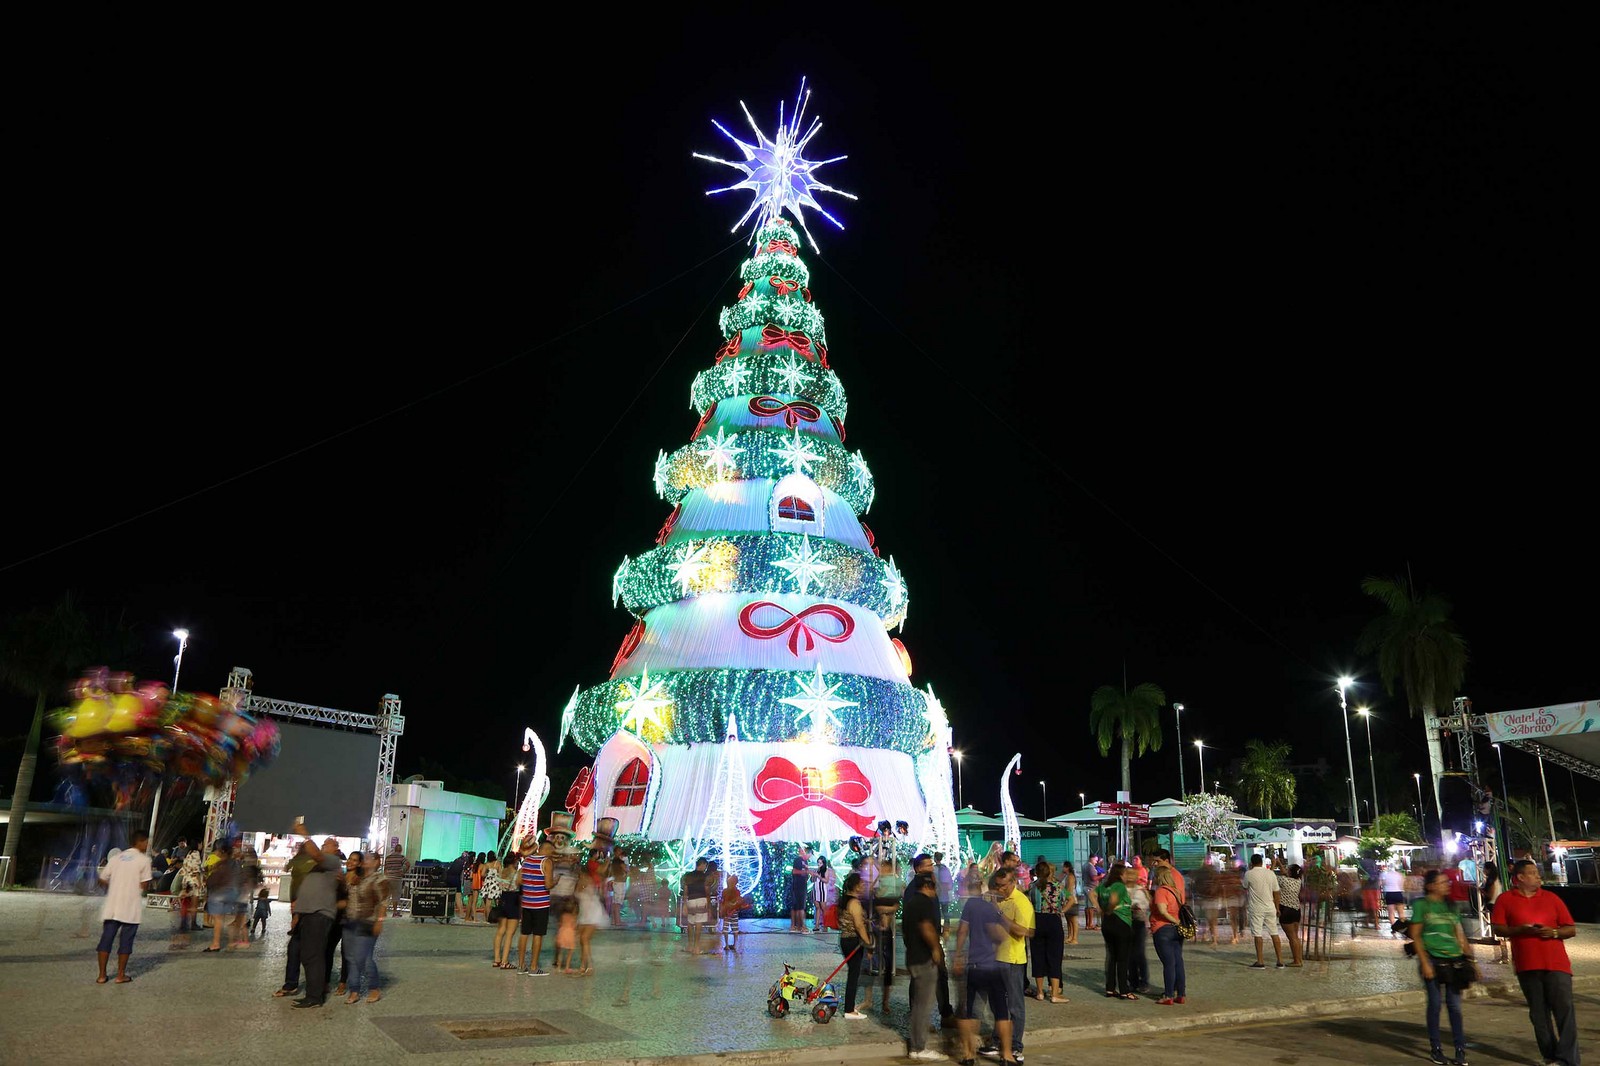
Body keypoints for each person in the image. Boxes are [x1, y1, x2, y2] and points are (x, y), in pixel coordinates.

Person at [1492, 858, 1580, 1066]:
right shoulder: (1506, 899)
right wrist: (1520, 930)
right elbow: (1498, 928)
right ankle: (1550, 1056)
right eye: (1532, 873)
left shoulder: (1551, 898)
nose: (1538, 876)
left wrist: (1554, 932)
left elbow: (1571, 929)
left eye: (1537, 872)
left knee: (1564, 1011)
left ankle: (1568, 1059)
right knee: (1539, 1014)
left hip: (1556, 964)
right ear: (1520, 878)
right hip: (1527, 964)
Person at [1411, 869, 1473, 1065]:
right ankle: (1436, 1047)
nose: (1447, 885)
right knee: (1435, 1004)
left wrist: (1471, 960)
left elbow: (1460, 934)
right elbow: (1416, 936)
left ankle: (1460, 1048)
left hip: (1454, 961)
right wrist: (1424, 962)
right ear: (1430, 886)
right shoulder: (1421, 905)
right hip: (1433, 959)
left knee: (1455, 1006)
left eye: (1447, 882)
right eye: (1442, 882)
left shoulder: (1451, 906)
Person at [954, 870, 1017, 1063]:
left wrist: (957, 955)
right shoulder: (992, 908)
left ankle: (969, 1054)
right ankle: (1006, 1054)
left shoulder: (970, 906)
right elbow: (1001, 935)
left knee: (971, 1012)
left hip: (975, 966)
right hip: (994, 966)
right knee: (1001, 1012)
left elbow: (963, 931)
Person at [286, 827, 343, 1008]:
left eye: (327, 844)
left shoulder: (333, 861)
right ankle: (312, 992)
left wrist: (305, 835)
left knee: (313, 955)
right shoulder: (318, 866)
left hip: (319, 914)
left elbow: (316, 854)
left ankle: (314, 996)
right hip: (308, 914)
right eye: (324, 844)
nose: (324, 846)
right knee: (305, 953)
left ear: (335, 849)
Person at [984, 867, 1033, 1063]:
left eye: (1003, 886)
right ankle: (998, 1040)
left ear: (1012, 883)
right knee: (997, 1003)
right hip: (996, 957)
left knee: (1014, 1005)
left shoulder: (1021, 903)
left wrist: (999, 915)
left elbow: (1022, 931)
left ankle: (1015, 1046)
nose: (999, 889)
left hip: (1012, 959)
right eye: (997, 885)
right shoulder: (999, 899)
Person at [95, 829, 152, 984]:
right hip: (131, 907)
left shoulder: (116, 858)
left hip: (112, 906)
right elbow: (145, 884)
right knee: (126, 942)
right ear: (140, 842)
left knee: (106, 940)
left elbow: (102, 878)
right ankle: (120, 975)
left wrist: (113, 887)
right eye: (146, 841)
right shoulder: (144, 860)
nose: (147, 844)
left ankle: (101, 975)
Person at [904, 854, 955, 1029]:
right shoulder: (915, 890)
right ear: (918, 869)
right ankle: (920, 1017)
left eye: (931, 865)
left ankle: (945, 1013)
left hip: (931, 939)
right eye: (926, 866)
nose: (931, 868)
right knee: (921, 979)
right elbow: (919, 920)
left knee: (940, 976)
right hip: (923, 942)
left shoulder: (929, 887)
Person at [901, 873, 945, 1061]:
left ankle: (916, 1045)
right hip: (923, 958)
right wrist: (936, 949)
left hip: (912, 957)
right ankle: (919, 1047)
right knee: (923, 1005)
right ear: (928, 886)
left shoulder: (910, 903)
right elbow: (927, 928)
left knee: (919, 1004)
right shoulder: (925, 903)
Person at [343, 850, 388, 1004]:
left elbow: (383, 901)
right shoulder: (358, 877)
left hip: (368, 921)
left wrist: (379, 921)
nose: (366, 860)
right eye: (365, 858)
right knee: (350, 957)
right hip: (351, 920)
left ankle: (374, 988)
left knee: (363, 957)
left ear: (377, 862)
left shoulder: (379, 879)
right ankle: (354, 990)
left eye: (370, 858)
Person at [869, 855, 906, 1009]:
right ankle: (873, 999)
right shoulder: (883, 883)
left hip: (885, 929)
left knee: (888, 963)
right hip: (879, 928)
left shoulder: (892, 883)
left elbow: (896, 903)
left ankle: (885, 1000)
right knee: (875, 963)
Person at [1029, 859, 1068, 1003]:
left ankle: (1039, 992)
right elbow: (1070, 900)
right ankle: (1055, 994)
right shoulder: (1058, 886)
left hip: (1037, 920)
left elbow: (1029, 902)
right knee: (1055, 957)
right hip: (1053, 920)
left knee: (1037, 955)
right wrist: (1061, 910)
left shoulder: (1032, 886)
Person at [837, 872, 874, 1020]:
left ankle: (849, 1007)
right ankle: (849, 1010)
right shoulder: (854, 903)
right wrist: (869, 943)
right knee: (854, 975)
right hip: (853, 941)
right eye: (862, 884)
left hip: (844, 939)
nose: (864, 886)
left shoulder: (844, 900)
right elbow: (859, 926)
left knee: (853, 973)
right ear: (856, 886)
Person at [1097, 861, 1136, 999]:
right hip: (1121, 922)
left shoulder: (1103, 886)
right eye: (1125, 873)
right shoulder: (1119, 886)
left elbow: (1091, 894)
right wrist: (1110, 908)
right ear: (1120, 874)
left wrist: (1100, 908)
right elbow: (1114, 899)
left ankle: (1110, 988)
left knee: (1111, 956)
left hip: (1107, 923)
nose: (1127, 876)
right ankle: (1124, 990)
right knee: (1122, 958)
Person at [1150, 865, 1186, 1005]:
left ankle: (1168, 995)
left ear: (1159, 877)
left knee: (1168, 963)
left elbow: (1162, 911)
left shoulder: (1161, 891)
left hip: (1163, 929)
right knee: (1178, 961)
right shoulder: (1176, 891)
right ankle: (1181, 993)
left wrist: (1175, 921)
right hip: (1176, 931)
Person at [517, 837, 553, 976]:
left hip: (527, 903)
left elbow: (519, 881)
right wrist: (555, 881)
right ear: (548, 850)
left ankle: (521, 965)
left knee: (524, 934)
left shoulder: (527, 860)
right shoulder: (546, 862)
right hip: (541, 904)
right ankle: (533, 967)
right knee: (538, 935)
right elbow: (548, 884)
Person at [1244, 853, 1285, 968]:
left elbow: (1245, 886)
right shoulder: (1270, 873)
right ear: (1262, 862)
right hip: (1270, 907)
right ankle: (1280, 960)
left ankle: (1260, 961)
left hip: (1256, 908)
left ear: (1252, 863)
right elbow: (1276, 892)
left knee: (1257, 934)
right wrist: (1277, 907)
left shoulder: (1249, 874)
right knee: (1274, 933)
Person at [574, 860, 605, 975]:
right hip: (584, 912)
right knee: (582, 940)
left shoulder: (587, 880)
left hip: (592, 911)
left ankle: (590, 966)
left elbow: (592, 896)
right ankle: (583, 966)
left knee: (584, 938)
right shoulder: (580, 881)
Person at [1124, 862, 1150, 993]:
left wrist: (1135, 905)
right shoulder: (1122, 889)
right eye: (1127, 875)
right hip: (1126, 922)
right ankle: (1133, 981)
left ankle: (1144, 981)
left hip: (1138, 922)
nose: (1128, 877)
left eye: (1131, 875)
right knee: (1129, 954)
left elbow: (1144, 904)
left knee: (1139, 953)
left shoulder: (1139, 889)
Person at [492, 851, 521, 969]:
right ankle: (505, 961)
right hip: (513, 901)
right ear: (515, 861)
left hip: (503, 900)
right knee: (510, 933)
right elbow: (520, 886)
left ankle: (496, 959)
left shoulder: (501, 873)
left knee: (500, 932)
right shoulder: (517, 874)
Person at [1276, 862, 1305, 966]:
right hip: (1296, 910)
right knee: (1295, 937)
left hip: (1286, 910)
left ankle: (1297, 961)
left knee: (1291, 937)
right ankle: (1299, 959)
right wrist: (1280, 863)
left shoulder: (1283, 880)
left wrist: (1275, 863)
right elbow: (1285, 873)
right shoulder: (1298, 881)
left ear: (1290, 872)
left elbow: (1270, 876)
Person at [1481, 862, 1509, 964]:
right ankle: (1503, 956)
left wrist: (1482, 891)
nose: (1483, 871)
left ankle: (1504, 956)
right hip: (1495, 905)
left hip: (1494, 906)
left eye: (1484, 869)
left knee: (1499, 932)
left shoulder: (1492, 881)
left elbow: (1490, 894)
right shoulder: (1497, 880)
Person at [681, 857, 709, 955]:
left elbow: (685, 891)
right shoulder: (705, 876)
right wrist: (708, 903)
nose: (706, 868)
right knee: (698, 924)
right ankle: (696, 948)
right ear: (703, 864)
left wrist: (685, 904)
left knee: (690, 923)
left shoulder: (688, 875)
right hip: (701, 899)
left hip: (691, 900)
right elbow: (707, 889)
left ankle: (689, 946)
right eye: (706, 865)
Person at [720, 872, 746, 952]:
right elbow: (738, 902)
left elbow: (723, 901)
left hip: (726, 912)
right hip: (734, 912)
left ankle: (727, 945)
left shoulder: (724, 891)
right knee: (735, 928)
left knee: (725, 928)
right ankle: (734, 945)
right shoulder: (737, 891)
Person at [382, 844, 410, 917]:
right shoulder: (401, 857)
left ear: (394, 849)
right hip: (397, 879)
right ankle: (395, 912)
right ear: (400, 850)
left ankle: (383, 912)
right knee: (396, 896)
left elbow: (385, 868)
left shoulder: (388, 858)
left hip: (388, 878)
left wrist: (386, 876)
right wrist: (403, 871)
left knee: (386, 896)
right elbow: (408, 864)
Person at [553, 897, 579, 974]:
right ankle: (567, 967)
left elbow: (560, 924)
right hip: (570, 934)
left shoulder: (563, 915)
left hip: (562, 933)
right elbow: (574, 927)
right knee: (570, 952)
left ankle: (558, 967)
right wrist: (577, 935)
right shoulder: (573, 917)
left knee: (560, 952)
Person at [1381, 861, 1407, 931]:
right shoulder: (1399, 874)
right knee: (1401, 912)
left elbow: (1382, 883)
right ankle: (1403, 927)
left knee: (1391, 912)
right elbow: (1402, 884)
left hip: (1389, 893)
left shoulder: (1384, 874)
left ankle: (1393, 927)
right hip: (1398, 893)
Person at [812, 856, 836, 933]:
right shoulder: (816, 870)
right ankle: (817, 925)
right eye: (818, 862)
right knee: (817, 907)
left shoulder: (826, 870)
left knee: (823, 908)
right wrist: (813, 875)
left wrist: (818, 876)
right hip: (815, 889)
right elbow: (812, 880)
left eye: (820, 863)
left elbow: (826, 881)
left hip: (822, 890)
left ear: (823, 863)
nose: (819, 864)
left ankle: (825, 925)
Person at [789, 848, 811, 932]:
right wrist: (807, 872)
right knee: (799, 907)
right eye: (810, 855)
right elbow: (794, 871)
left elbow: (804, 873)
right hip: (798, 886)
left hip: (802, 886)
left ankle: (797, 926)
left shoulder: (805, 862)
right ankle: (801, 927)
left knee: (798, 907)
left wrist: (808, 874)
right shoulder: (798, 860)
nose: (809, 857)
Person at [1060, 860, 1081, 946]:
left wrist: (1062, 889)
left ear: (1067, 867)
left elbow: (1069, 889)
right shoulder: (1066, 876)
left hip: (1071, 900)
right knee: (1068, 920)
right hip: (1067, 899)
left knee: (1073, 920)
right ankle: (1070, 936)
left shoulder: (1071, 876)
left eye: (1063, 867)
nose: (1062, 868)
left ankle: (1074, 938)